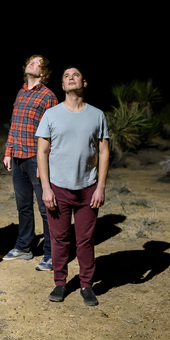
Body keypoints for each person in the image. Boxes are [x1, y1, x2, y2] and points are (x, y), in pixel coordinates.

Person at [36, 66, 110, 306]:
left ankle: (87, 285)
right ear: (62, 85)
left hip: (88, 188)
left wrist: (100, 187)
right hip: (58, 188)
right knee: (59, 239)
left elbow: (104, 151)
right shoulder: (51, 115)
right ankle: (60, 283)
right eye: (66, 76)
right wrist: (46, 188)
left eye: (75, 75)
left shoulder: (97, 115)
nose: (71, 77)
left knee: (85, 240)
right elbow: (42, 152)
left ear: (84, 83)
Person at [3, 55, 58, 270]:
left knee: (46, 207)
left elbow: (53, 132)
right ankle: (24, 246)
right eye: (30, 61)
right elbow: (14, 124)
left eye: (37, 63)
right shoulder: (21, 92)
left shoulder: (48, 96)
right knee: (23, 205)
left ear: (43, 73)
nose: (31, 64)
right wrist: (8, 152)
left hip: (36, 158)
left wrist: (45, 162)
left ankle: (52, 253)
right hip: (18, 157)